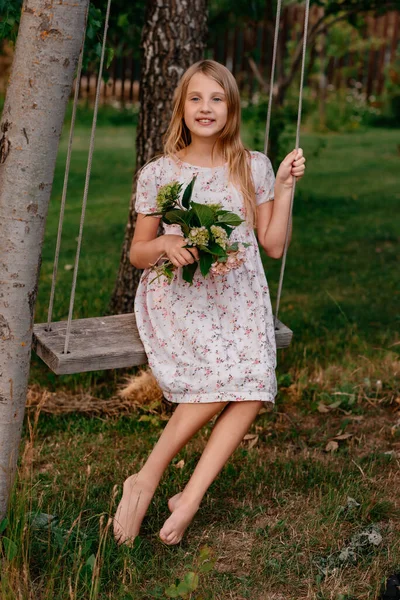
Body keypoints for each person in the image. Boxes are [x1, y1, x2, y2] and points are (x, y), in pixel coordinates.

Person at [113, 59, 306, 546]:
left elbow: (275, 244)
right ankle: (148, 477)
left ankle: (190, 496)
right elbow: (139, 251)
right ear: (181, 107)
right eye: (196, 98)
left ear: (231, 107)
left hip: (237, 295)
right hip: (181, 294)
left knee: (256, 384)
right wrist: (165, 246)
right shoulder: (161, 173)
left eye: (216, 99)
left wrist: (283, 190)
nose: (206, 108)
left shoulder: (253, 165)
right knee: (230, 376)